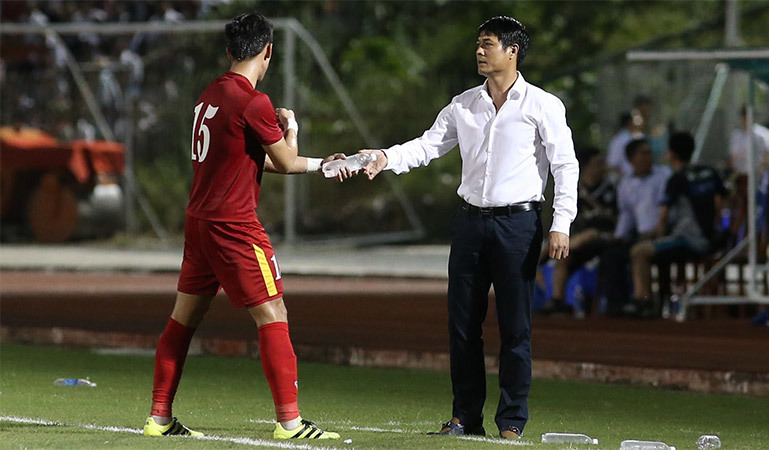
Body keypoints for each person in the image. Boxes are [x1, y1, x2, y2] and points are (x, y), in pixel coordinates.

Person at [356, 16, 578, 439]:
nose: (479, 51)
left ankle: (512, 421)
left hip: (519, 224)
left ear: (512, 51)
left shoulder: (542, 105)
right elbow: (428, 144)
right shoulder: (463, 104)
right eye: (478, 43)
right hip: (470, 224)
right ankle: (464, 417)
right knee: (462, 325)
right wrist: (385, 157)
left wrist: (561, 222)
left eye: (488, 44)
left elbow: (566, 165)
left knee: (516, 328)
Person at [143, 13, 341, 440]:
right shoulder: (255, 101)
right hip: (235, 227)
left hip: (199, 224)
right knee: (273, 313)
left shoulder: (210, 93)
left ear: (229, 50)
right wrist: (292, 129)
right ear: (268, 50)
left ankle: (159, 418)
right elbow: (285, 162)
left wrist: (323, 165)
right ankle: (290, 423)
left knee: (182, 320)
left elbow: (249, 160)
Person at [628, 132, 726, 318]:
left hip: (689, 240)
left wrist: (651, 234)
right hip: (712, 238)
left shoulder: (677, 179)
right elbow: (722, 201)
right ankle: (659, 302)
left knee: (639, 252)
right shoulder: (709, 172)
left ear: (671, 154)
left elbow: (662, 219)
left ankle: (644, 301)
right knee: (659, 250)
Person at [539, 147, 616, 314]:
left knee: (588, 235)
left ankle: (547, 254)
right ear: (586, 167)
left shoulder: (611, 189)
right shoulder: (575, 191)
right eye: (598, 164)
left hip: (607, 237)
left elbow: (615, 220)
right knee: (564, 257)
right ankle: (557, 300)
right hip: (580, 242)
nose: (603, 168)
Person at [598, 138, 670, 317]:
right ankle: (618, 306)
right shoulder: (626, 183)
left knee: (637, 251)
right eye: (643, 153)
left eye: (649, 153)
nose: (648, 157)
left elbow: (669, 207)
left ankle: (643, 301)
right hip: (640, 235)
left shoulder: (664, 175)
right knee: (611, 254)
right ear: (631, 158)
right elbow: (626, 214)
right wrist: (618, 236)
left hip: (662, 233)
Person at [606, 111, 643, 178]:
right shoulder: (622, 140)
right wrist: (624, 179)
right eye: (636, 120)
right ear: (630, 122)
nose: (640, 122)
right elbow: (612, 164)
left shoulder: (637, 137)